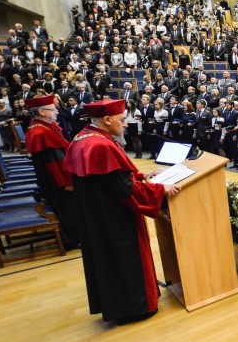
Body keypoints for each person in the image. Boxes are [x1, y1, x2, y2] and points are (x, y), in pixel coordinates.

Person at [63, 99, 180, 325]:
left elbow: (112, 178)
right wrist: (159, 189)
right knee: (124, 259)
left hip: (98, 216)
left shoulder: (84, 137)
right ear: (107, 120)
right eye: (122, 120)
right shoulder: (100, 146)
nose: (126, 124)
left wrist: (140, 176)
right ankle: (135, 308)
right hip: (113, 219)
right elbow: (123, 190)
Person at [24, 95, 80, 249]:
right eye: (53, 109)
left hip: (54, 176)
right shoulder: (40, 132)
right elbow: (55, 162)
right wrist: (67, 182)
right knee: (68, 207)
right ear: (42, 112)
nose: (57, 111)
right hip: (57, 180)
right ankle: (72, 239)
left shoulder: (44, 126)